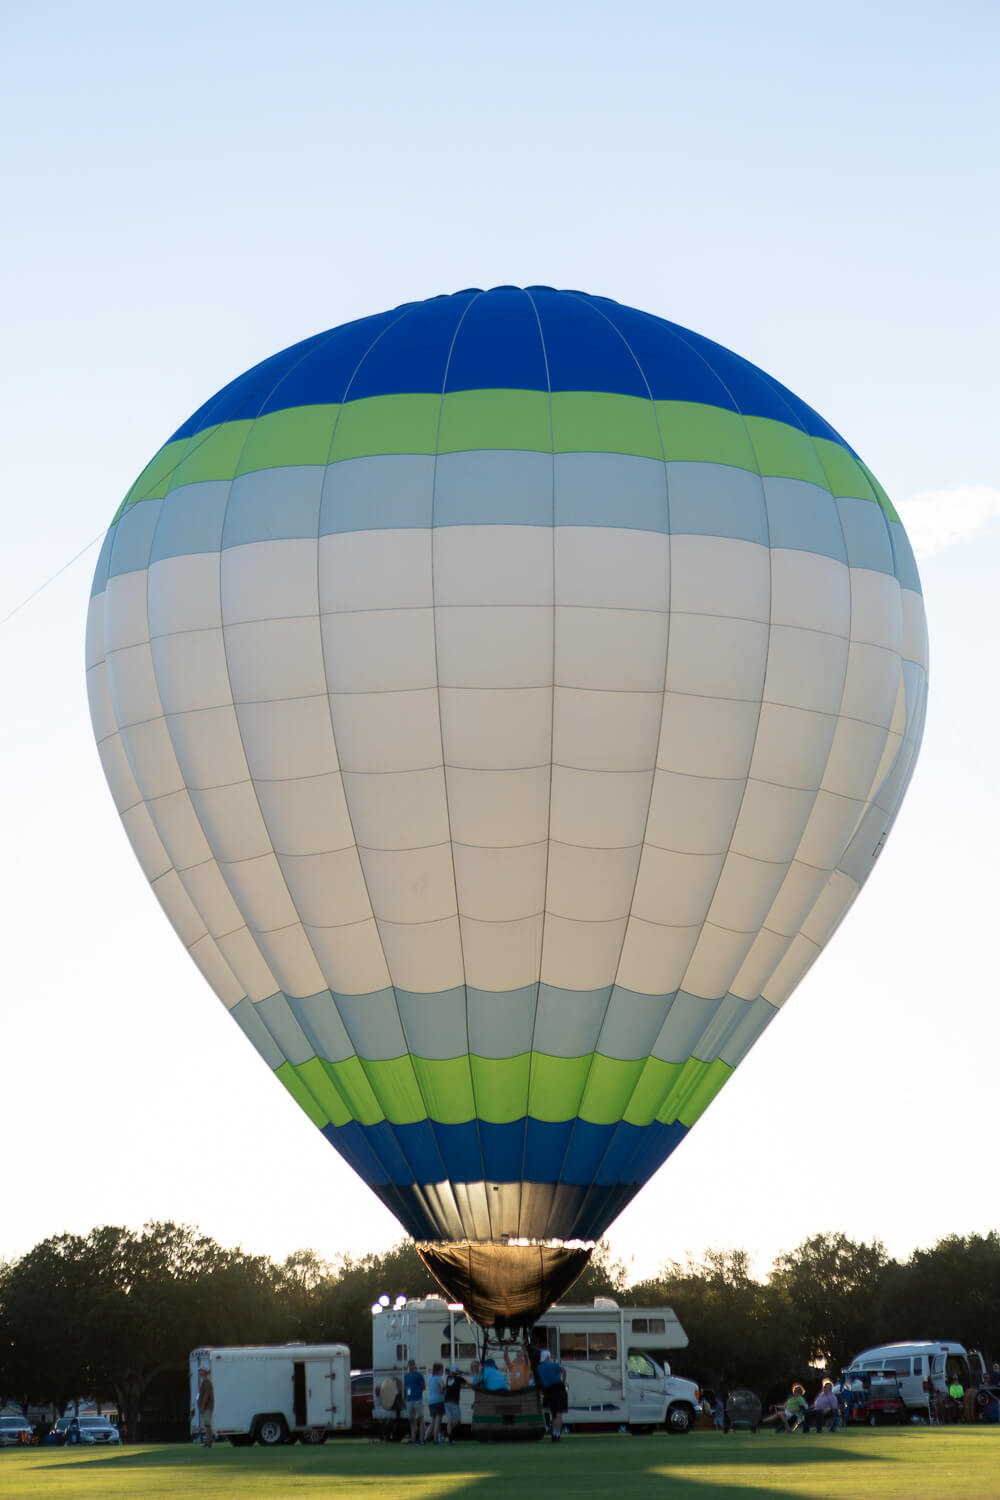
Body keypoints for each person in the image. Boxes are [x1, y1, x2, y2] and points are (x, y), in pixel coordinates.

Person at [536, 1348, 568, 1442]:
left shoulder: (539, 1368)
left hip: (549, 1390)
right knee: (559, 1413)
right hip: (558, 1388)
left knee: (553, 1414)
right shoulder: (554, 1364)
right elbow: (564, 1371)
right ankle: (557, 1435)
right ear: (548, 1357)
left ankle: (553, 1435)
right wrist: (563, 1382)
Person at [404, 1360, 426, 1444]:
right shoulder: (406, 1376)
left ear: (414, 1366)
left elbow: (423, 1387)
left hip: (417, 1399)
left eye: (412, 1365)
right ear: (408, 1366)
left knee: (420, 1418)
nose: (411, 1367)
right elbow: (406, 1387)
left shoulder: (419, 1375)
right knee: (412, 1419)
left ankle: (421, 1439)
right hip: (409, 1400)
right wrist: (406, 1397)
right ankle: (413, 1439)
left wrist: (417, 1391)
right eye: (409, 1365)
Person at [443, 1366, 464, 1443]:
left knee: (450, 1420)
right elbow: (468, 1384)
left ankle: (448, 1437)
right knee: (457, 1420)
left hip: (446, 1401)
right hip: (454, 1402)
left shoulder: (448, 1378)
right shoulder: (459, 1379)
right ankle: (446, 1434)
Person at [427, 1362, 446, 1444]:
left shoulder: (430, 1377)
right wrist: (443, 1390)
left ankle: (425, 1438)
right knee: (438, 1420)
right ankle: (436, 1439)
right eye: (442, 1369)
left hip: (430, 1401)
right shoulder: (439, 1378)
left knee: (433, 1421)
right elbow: (443, 1387)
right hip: (438, 1400)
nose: (443, 1371)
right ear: (439, 1369)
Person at [197, 1369, 215, 1448]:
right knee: (207, 1425)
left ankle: (208, 1443)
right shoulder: (204, 1382)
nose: (199, 1372)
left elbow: (207, 1394)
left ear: (204, 1373)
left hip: (207, 1407)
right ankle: (208, 1442)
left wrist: (203, 1406)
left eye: (201, 1371)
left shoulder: (206, 1382)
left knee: (207, 1425)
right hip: (206, 1407)